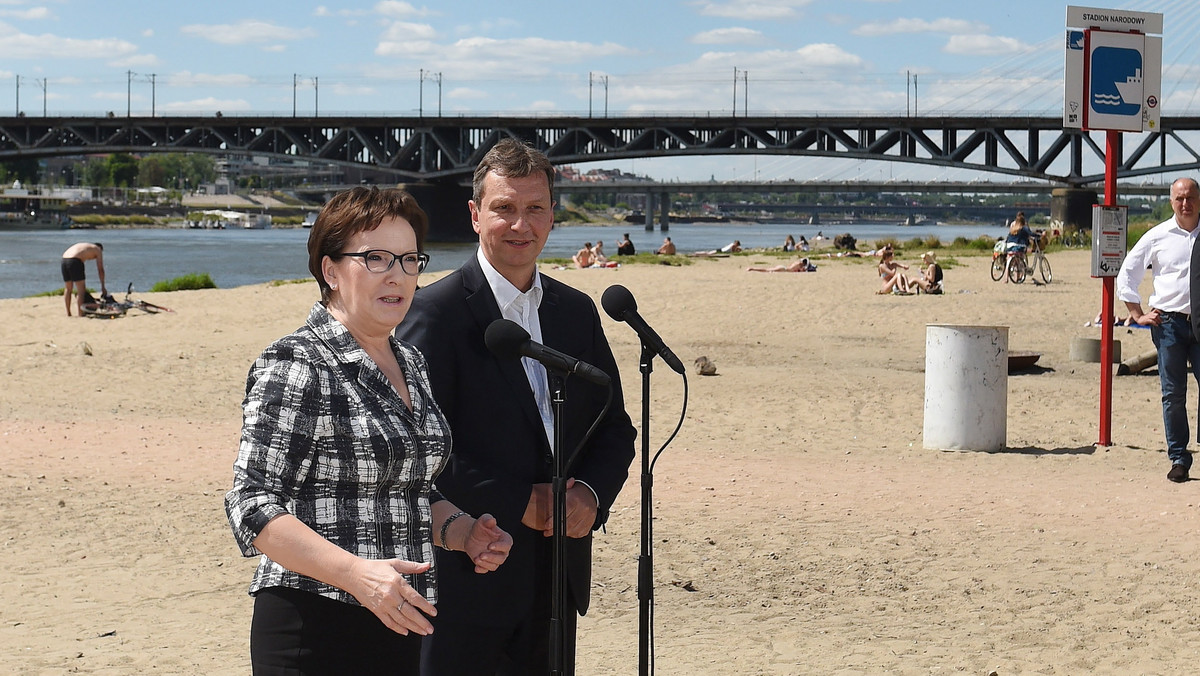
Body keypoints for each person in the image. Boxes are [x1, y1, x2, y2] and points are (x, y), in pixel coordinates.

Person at [224, 186, 513, 673]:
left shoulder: (411, 362)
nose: (397, 275)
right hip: (313, 625)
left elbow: (407, 489)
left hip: (396, 620)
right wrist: (357, 575)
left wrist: (463, 532)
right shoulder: (298, 361)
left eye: (408, 260)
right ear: (330, 271)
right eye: (375, 258)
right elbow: (251, 504)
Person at [395, 139, 636, 675]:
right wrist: (515, 500)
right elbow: (415, 449)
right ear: (476, 215)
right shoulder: (433, 314)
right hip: (466, 576)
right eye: (504, 208)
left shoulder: (576, 312)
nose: (520, 224)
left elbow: (613, 426)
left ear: (553, 217)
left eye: (535, 209)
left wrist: (591, 495)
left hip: (556, 578)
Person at [1118, 177, 1200, 483]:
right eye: (1179, 198)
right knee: (1172, 394)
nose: (1185, 203)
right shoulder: (1158, 236)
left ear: (1199, 199)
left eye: (1190, 197)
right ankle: (1179, 457)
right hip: (1169, 325)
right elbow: (1128, 272)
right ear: (1171, 202)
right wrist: (1136, 314)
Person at [60, 242, 106, 317]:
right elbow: (100, 269)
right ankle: (80, 313)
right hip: (75, 261)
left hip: (64, 260)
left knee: (68, 288)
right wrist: (103, 286)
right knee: (81, 290)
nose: (94, 259)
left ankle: (68, 313)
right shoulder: (98, 250)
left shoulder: (85, 247)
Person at [1004, 212, 1037, 283]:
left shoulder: (1013, 228)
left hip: (1010, 247)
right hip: (1019, 247)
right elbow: (1031, 234)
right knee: (1019, 262)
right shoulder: (1024, 228)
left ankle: (1006, 278)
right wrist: (1039, 235)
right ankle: (1017, 278)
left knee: (1008, 262)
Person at [747, 257, 815, 273]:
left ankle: (753, 269)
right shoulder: (799, 264)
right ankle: (753, 269)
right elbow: (803, 269)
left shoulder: (797, 263)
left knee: (767, 269)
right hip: (784, 269)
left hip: (784, 268)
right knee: (767, 270)